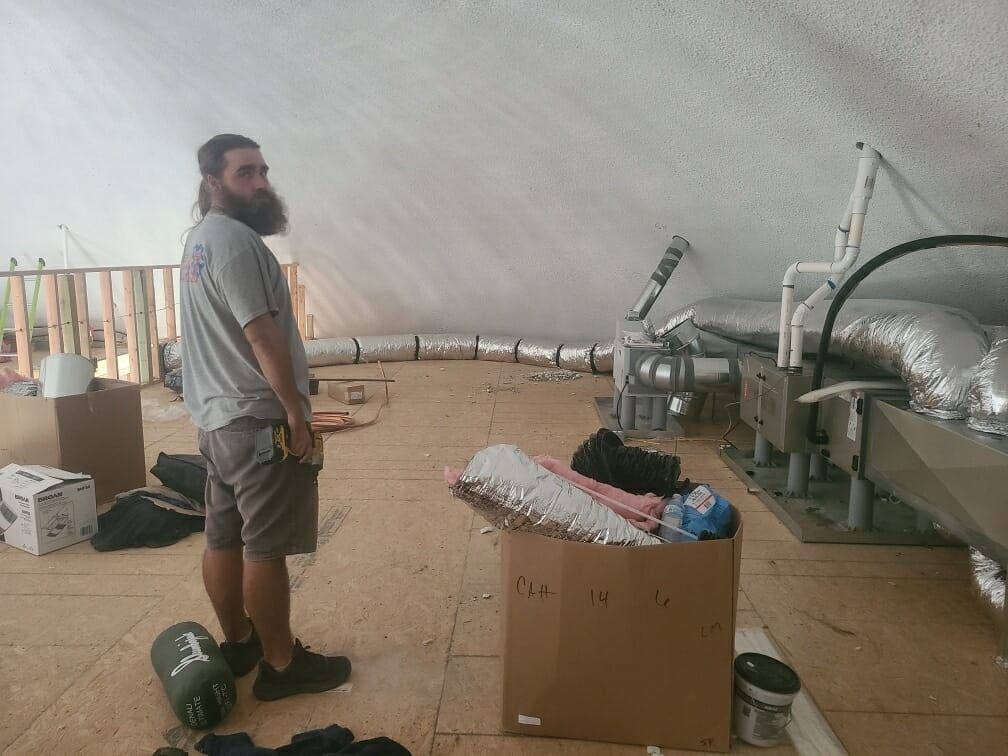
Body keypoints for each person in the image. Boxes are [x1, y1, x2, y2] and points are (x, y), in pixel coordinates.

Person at [179, 134, 350, 701]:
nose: (260, 184)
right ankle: (281, 666)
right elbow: (261, 334)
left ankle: (240, 642)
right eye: (244, 173)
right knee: (264, 549)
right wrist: (296, 413)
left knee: (223, 536)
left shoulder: (199, 242)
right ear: (212, 182)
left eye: (262, 172)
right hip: (255, 420)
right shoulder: (235, 244)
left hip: (216, 421)